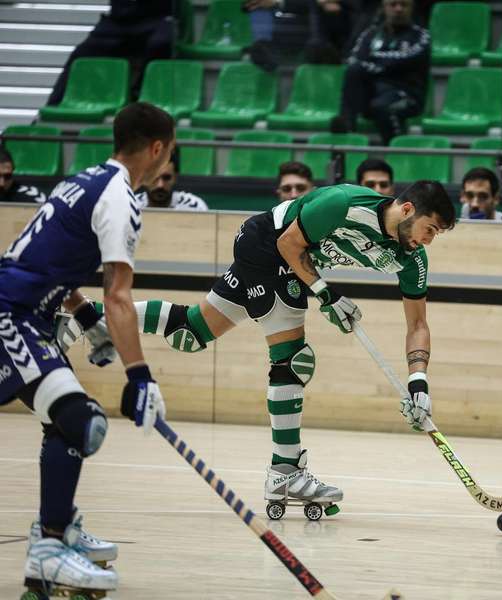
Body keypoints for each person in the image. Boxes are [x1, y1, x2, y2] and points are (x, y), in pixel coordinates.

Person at [75, 180, 456, 512]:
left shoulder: (411, 260)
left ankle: (84, 316)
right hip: (268, 245)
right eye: (430, 228)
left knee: (191, 333)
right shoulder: (343, 204)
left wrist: (418, 382)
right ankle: (285, 471)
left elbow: (418, 324)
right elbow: (290, 243)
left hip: (286, 261)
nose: (428, 239)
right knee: (293, 359)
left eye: (436, 234)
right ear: (407, 209)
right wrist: (327, 295)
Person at [0, 102, 172, 596]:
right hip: (12, 316)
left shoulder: (84, 179)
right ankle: (51, 546)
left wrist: (86, 320)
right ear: (158, 149)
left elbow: (48, 261)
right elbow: (118, 293)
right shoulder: (121, 197)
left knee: (72, 421)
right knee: (79, 421)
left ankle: (55, 534)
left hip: (23, 312)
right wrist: (140, 376)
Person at [330, 0, 430, 145]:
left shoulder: (421, 36)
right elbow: (355, 59)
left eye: (404, 5)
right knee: (354, 71)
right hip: (373, 94)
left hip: (405, 95)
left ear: (411, 8)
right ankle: (347, 126)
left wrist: (374, 60)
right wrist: (381, 66)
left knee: (383, 107)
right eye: (393, 4)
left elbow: (405, 58)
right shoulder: (370, 34)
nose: (398, 9)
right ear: (384, 7)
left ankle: (396, 152)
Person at [46, 0, 174, 106]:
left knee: (161, 43)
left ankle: (139, 94)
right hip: (118, 21)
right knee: (82, 53)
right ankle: (54, 104)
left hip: (156, 19)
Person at [135, 147, 208, 211]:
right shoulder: (132, 206)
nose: (160, 185)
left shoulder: (195, 207)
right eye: (154, 178)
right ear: (144, 177)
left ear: (175, 177)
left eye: (167, 178)